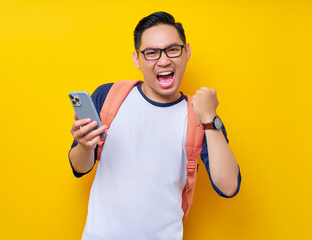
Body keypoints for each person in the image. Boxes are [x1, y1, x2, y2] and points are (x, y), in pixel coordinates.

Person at [69, 11, 241, 240]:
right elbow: (80, 168)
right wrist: (84, 145)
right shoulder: (109, 95)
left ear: (187, 51)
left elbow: (229, 187)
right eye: (151, 53)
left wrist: (211, 118)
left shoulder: (200, 116)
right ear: (136, 59)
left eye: (172, 50)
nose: (163, 60)